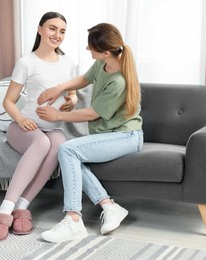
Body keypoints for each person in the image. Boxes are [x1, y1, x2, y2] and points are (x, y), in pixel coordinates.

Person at [36, 23, 143, 243]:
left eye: (91, 47)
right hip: (107, 135)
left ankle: (73, 219)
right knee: (70, 155)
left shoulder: (119, 81)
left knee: (66, 149)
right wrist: (59, 88)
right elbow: (84, 79)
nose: (87, 49)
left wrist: (57, 116)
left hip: (126, 136)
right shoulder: (103, 64)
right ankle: (109, 206)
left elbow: (91, 114)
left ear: (105, 52)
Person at [0, 11, 77, 241]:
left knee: (59, 145)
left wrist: (70, 102)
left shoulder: (68, 63)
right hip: (23, 127)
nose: (57, 35)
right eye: (52, 28)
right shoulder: (26, 62)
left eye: (62, 31)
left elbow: (73, 95)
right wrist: (21, 119)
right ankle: (5, 210)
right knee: (41, 142)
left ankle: (22, 207)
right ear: (40, 29)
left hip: (52, 127)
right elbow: (9, 101)